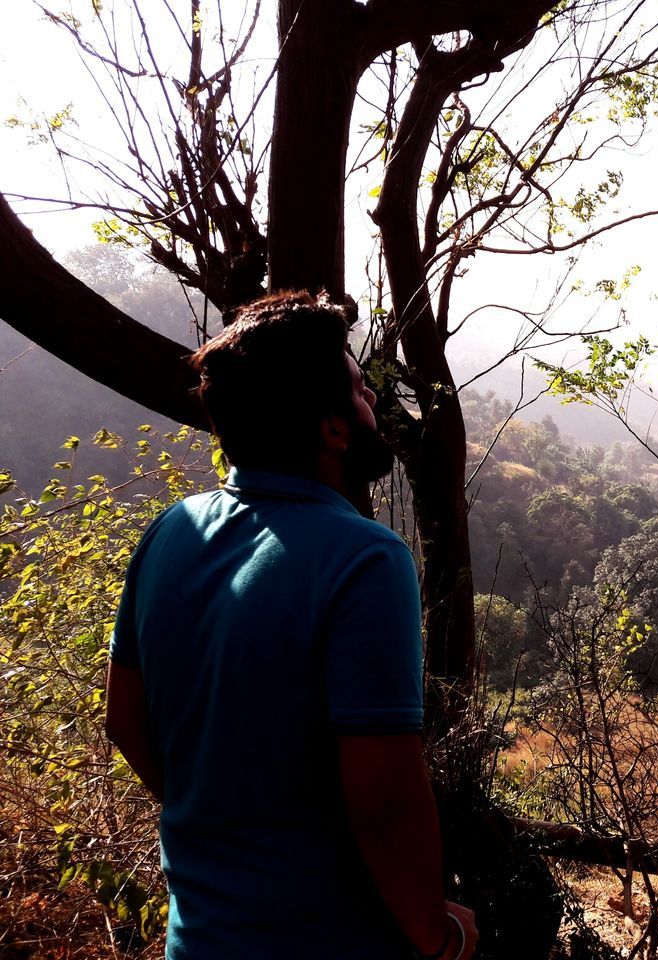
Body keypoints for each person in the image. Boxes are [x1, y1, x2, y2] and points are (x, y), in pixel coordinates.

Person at [104, 290, 477, 960]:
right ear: (333, 429)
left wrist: (219, 822)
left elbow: (124, 721)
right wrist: (434, 930)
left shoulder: (168, 533)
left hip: (197, 938)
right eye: (362, 394)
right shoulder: (366, 558)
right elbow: (382, 796)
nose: (374, 408)